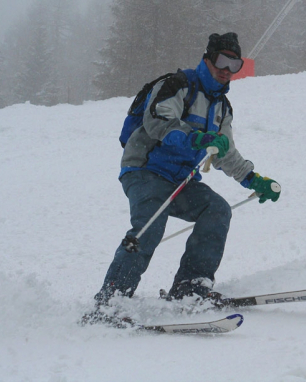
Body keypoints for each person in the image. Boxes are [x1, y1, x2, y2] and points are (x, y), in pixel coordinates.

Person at [93, 32, 281, 310]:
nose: (227, 71)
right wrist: (194, 137)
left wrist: (252, 179)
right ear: (207, 59)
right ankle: (110, 302)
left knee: (216, 210)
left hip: (181, 180)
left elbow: (224, 151)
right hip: (146, 170)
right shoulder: (178, 85)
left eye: (235, 65)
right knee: (150, 226)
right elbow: (158, 121)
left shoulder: (222, 108)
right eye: (221, 61)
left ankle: (190, 287)